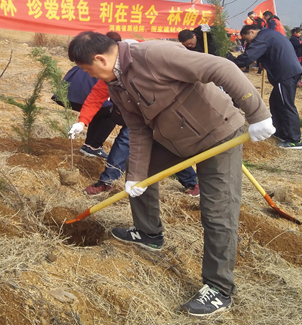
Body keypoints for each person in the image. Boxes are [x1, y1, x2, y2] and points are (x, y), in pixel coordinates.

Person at [67, 31, 274, 316]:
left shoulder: (154, 55)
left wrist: (258, 113)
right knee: (138, 172)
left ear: (101, 59)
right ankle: (149, 233)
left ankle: (219, 288)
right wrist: (136, 176)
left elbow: (222, 67)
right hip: (174, 140)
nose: (91, 76)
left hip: (219, 135)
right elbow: (138, 129)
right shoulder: (116, 84)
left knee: (217, 212)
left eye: (89, 70)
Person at [70, 52, 201, 198]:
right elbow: (95, 98)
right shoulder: (109, 75)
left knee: (161, 145)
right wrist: (82, 122)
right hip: (138, 115)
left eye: (90, 70)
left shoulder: (144, 63)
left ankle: (192, 182)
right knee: (132, 140)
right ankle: (107, 181)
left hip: (163, 111)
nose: (91, 75)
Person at [230, 25, 302, 149]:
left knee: (286, 105)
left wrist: (230, 64)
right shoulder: (269, 34)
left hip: (285, 74)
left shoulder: (262, 37)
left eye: (247, 39)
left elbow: (249, 56)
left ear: (252, 32)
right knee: (275, 102)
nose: (249, 42)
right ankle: (280, 132)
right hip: (288, 72)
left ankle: (294, 140)